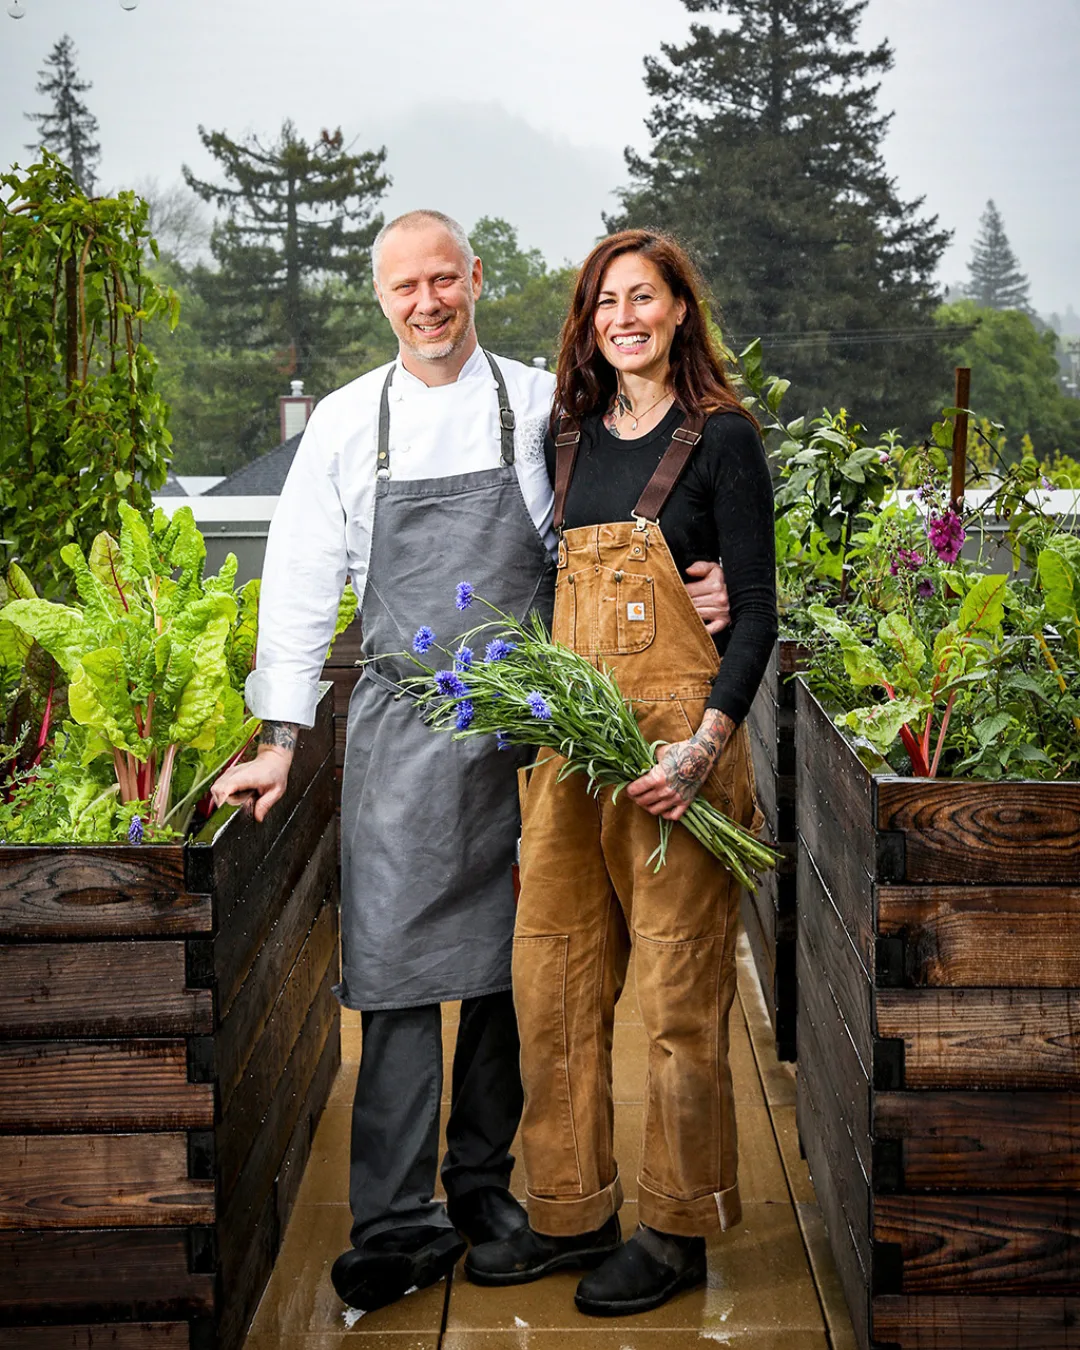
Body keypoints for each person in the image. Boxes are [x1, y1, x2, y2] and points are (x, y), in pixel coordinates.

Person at [210, 210, 732, 1315]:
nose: (428, 302)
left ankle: (488, 1187)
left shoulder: (543, 404)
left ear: (476, 279)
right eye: (406, 287)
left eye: (445, 279)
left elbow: (613, 528)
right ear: (381, 300)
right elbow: (303, 583)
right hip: (404, 728)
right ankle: (396, 1219)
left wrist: (704, 584)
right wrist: (279, 738)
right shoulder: (351, 423)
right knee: (395, 966)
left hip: (534, 728)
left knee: (519, 961)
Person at [465, 229, 778, 1317]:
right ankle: (569, 1207)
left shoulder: (724, 440)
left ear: (681, 308)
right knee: (550, 981)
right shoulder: (569, 439)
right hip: (568, 761)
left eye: (643, 298)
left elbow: (756, 618)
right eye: (606, 303)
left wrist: (698, 754)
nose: (624, 317)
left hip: (673, 762)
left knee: (682, 999)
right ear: (588, 322)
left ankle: (679, 1225)